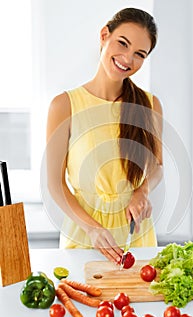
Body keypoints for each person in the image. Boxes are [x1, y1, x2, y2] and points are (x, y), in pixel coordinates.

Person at [46, 7, 163, 264]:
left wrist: (142, 191)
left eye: (139, 54)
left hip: (137, 235)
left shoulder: (149, 104)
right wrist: (92, 228)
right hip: (84, 234)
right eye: (123, 43)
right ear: (104, 35)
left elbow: (156, 165)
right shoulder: (64, 105)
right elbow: (54, 184)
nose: (128, 59)